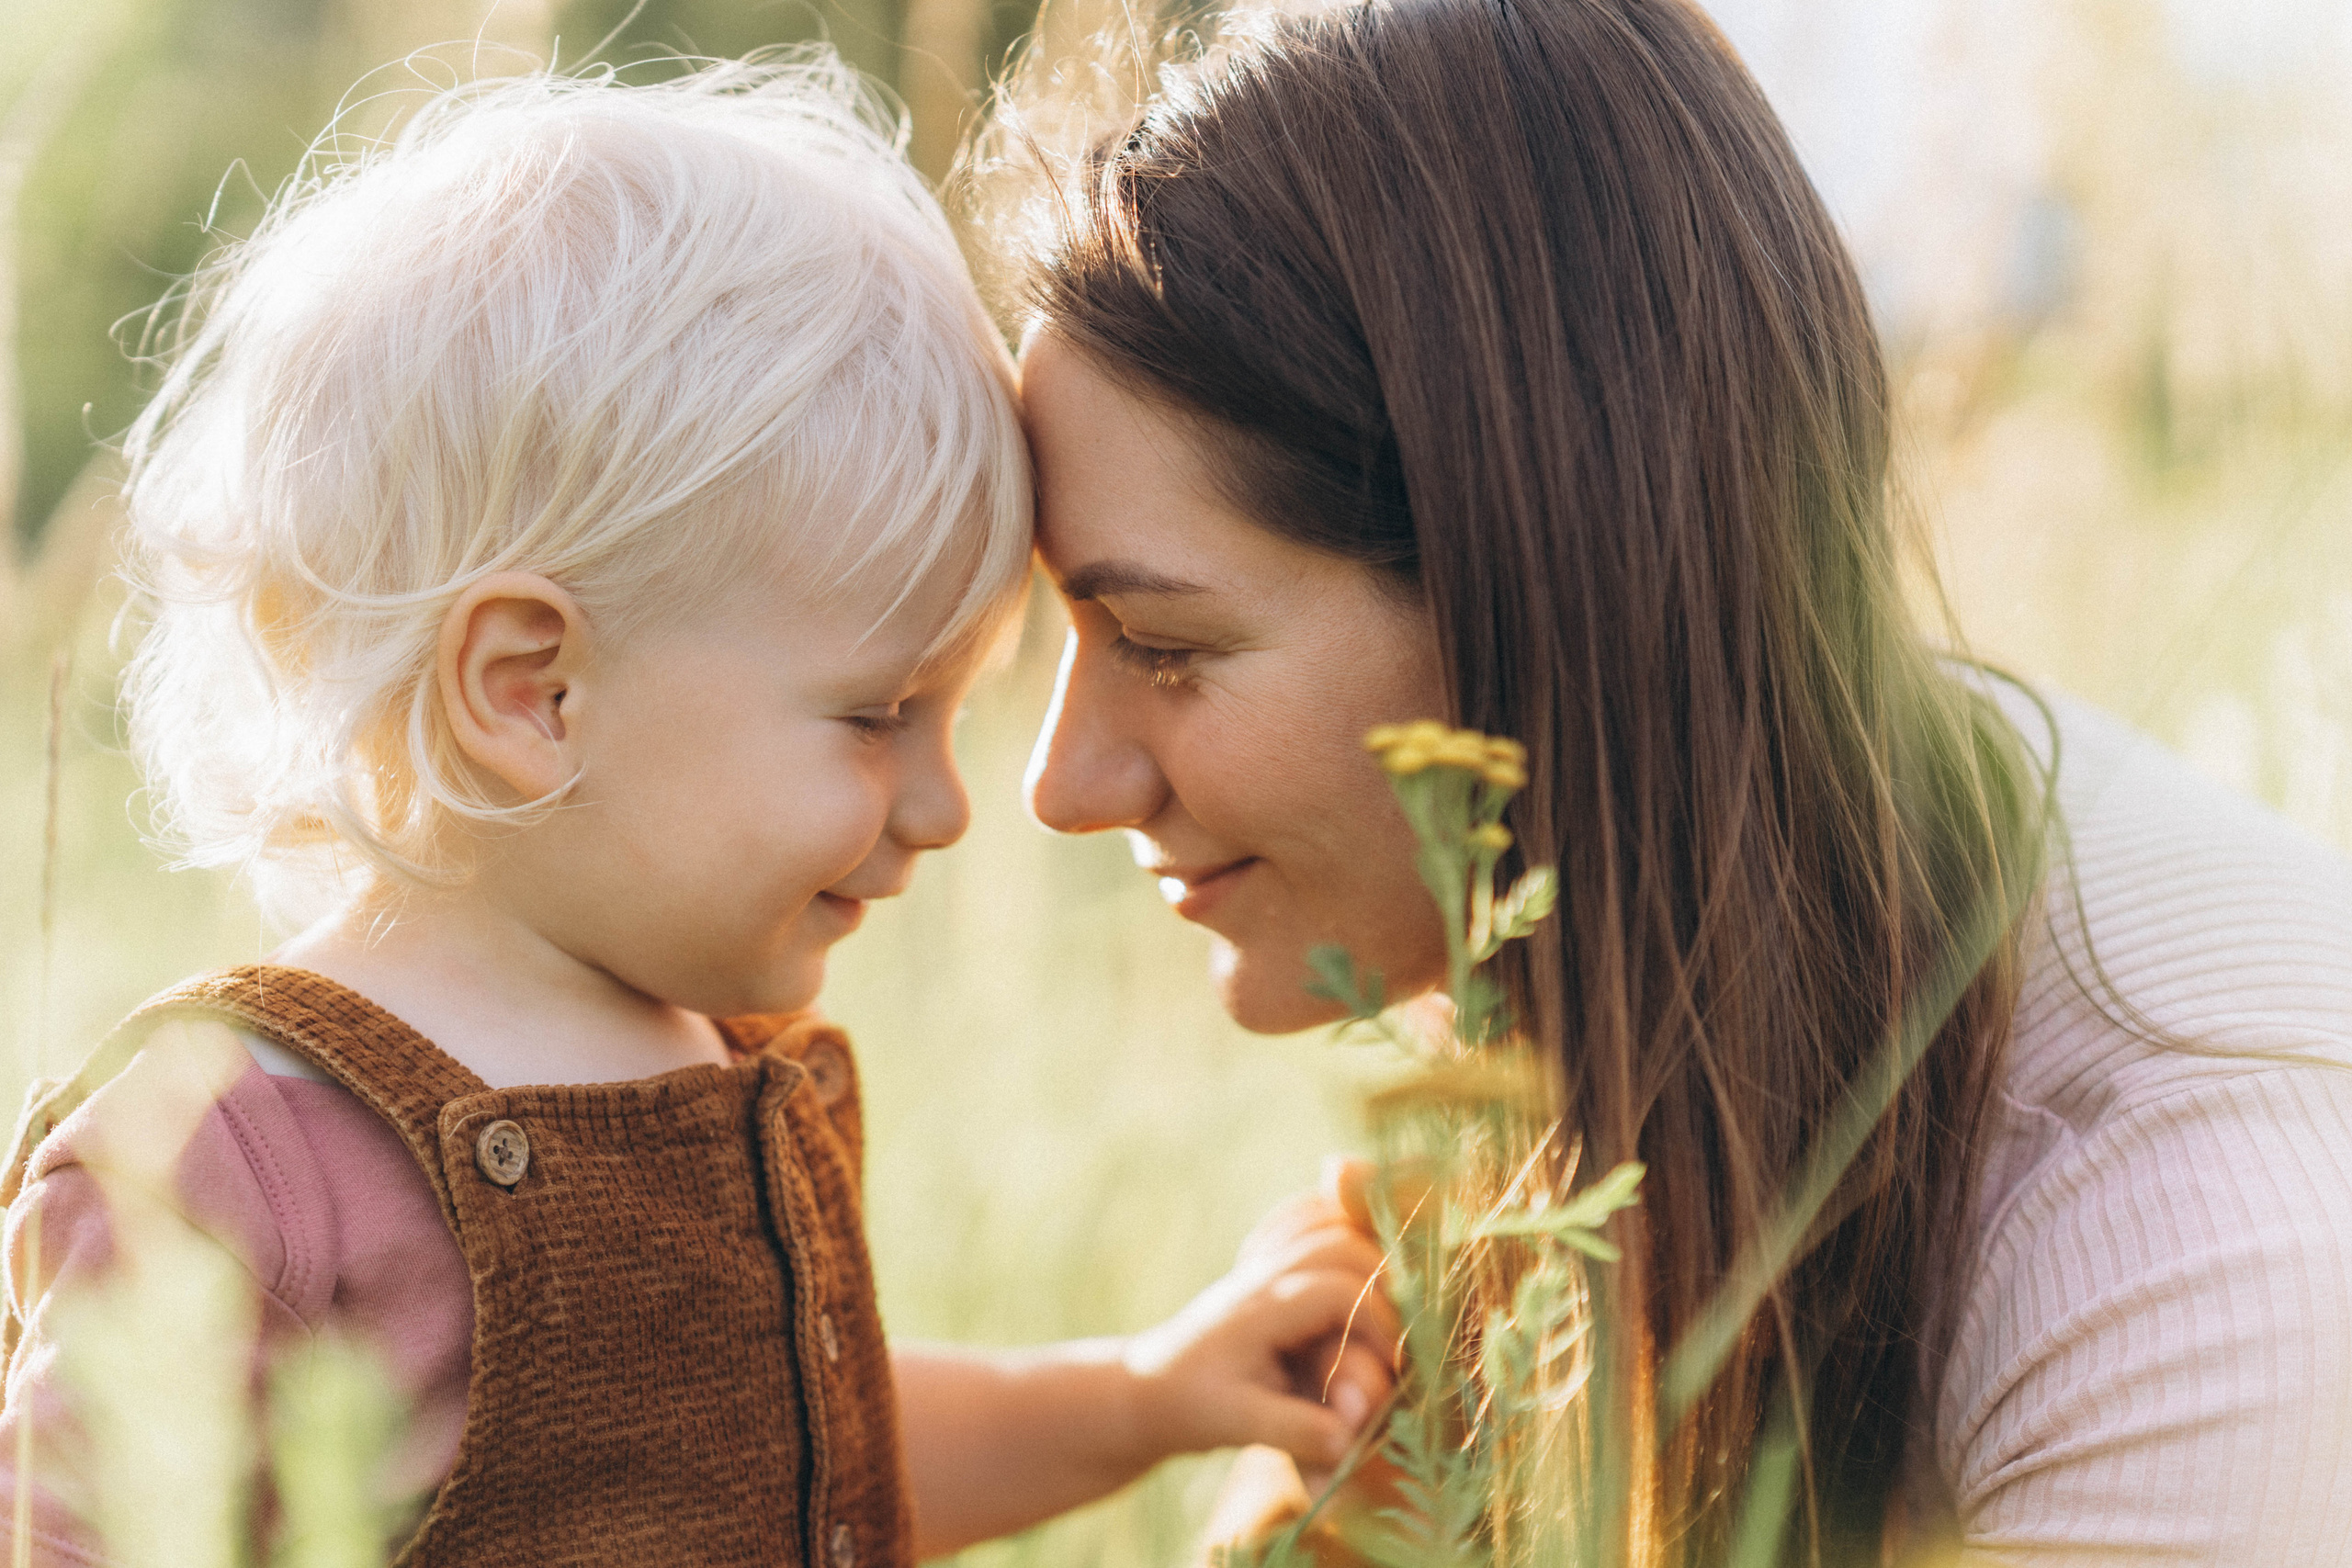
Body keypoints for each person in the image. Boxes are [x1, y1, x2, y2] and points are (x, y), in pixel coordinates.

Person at [0, 58, 1396, 1568]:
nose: (944, 807)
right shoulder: (228, 1150)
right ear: (534, 693)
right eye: (876, 716)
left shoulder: (712, 1067)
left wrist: (1137, 1396)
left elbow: (821, 1452)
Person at [1002, 0, 2352, 1562]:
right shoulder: (1584, 971)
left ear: (1546, 593)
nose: (1059, 783)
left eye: (1163, 643)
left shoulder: (2208, 1237)